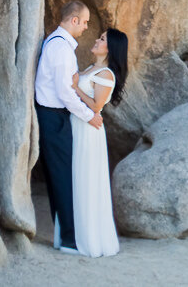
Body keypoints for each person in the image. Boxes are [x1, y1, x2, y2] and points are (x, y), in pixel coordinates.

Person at [33, 0, 99, 253]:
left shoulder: (57, 43)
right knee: (62, 178)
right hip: (53, 116)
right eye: (84, 22)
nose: (85, 27)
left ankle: (64, 236)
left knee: (58, 177)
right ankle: (70, 240)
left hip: (53, 115)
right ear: (73, 20)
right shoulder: (60, 48)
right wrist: (87, 115)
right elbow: (64, 92)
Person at [68, 27, 129, 257]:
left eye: (102, 39)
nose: (96, 40)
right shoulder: (92, 68)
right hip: (78, 127)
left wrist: (74, 88)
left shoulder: (106, 74)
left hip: (88, 132)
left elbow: (95, 106)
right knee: (77, 179)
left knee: (87, 181)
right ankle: (76, 236)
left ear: (110, 47)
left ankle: (90, 241)